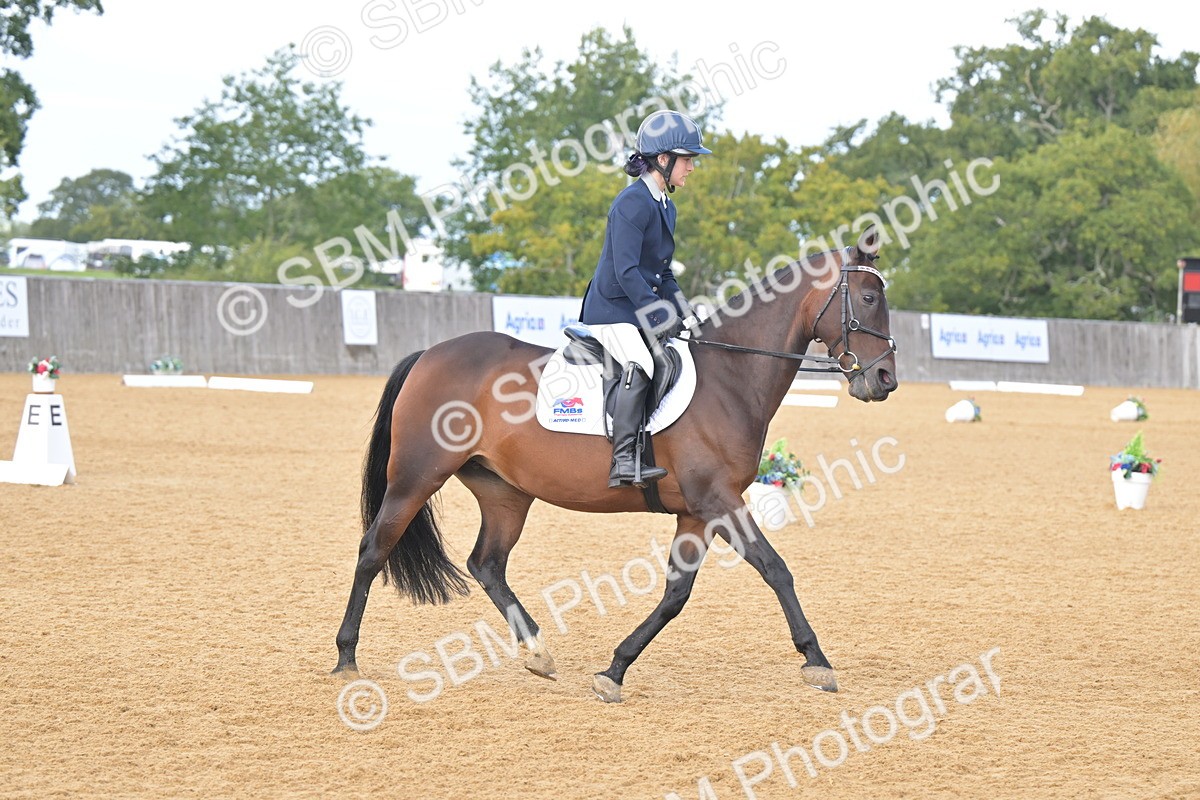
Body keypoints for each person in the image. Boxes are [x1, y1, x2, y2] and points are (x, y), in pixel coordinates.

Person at [579, 109, 710, 489]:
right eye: (688, 160)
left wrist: (685, 315)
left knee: (675, 356)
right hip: (612, 309)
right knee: (641, 362)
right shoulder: (631, 202)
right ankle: (623, 460)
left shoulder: (667, 207)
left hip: (635, 309)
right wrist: (656, 313)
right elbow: (627, 271)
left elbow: (663, 274)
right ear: (664, 160)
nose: (692, 168)